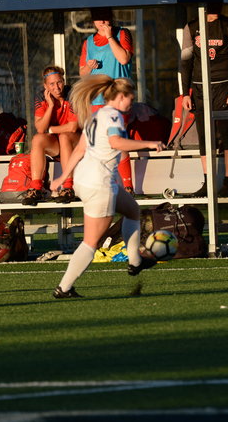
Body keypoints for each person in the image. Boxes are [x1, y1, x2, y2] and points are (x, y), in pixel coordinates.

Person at [50, 75, 164, 298]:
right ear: (121, 96)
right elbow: (116, 143)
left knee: (132, 210)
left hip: (86, 179)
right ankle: (64, 288)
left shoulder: (97, 115)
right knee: (91, 243)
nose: (132, 103)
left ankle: (135, 261)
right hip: (98, 183)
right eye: (131, 98)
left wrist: (62, 177)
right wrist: (149, 143)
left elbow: (79, 150)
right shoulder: (113, 116)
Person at [180, 2, 228, 197]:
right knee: (204, 136)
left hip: (225, 86)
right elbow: (185, 61)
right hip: (200, 89)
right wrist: (185, 93)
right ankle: (208, 182)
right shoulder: (191, 26)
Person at [79, 7, 136, 195]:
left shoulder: (122, 34)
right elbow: (82, 73)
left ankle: (128, 186)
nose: (102, 23)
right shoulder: (88, 42)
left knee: (117, 139)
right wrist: (88, 67)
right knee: (100, 143)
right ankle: (104, 185)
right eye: (98, 19)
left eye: (105, 18)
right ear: (93, 21)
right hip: (97, 99)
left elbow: (123, 59)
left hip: (119, 97)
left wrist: (110, 37)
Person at [21, 66, 81, 206]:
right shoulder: (41, 97)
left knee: (65, 136)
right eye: (52, 84)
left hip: (77, 142)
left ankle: (68, 188)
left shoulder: (73, 94)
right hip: (58, 144)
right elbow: (40, 129)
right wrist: (50, 106)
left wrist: (51, 130)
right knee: (37, 139)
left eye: (59, 82)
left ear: (63, 81)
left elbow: (72, 127)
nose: (57, 87)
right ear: (45, 86)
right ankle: (36, 188)